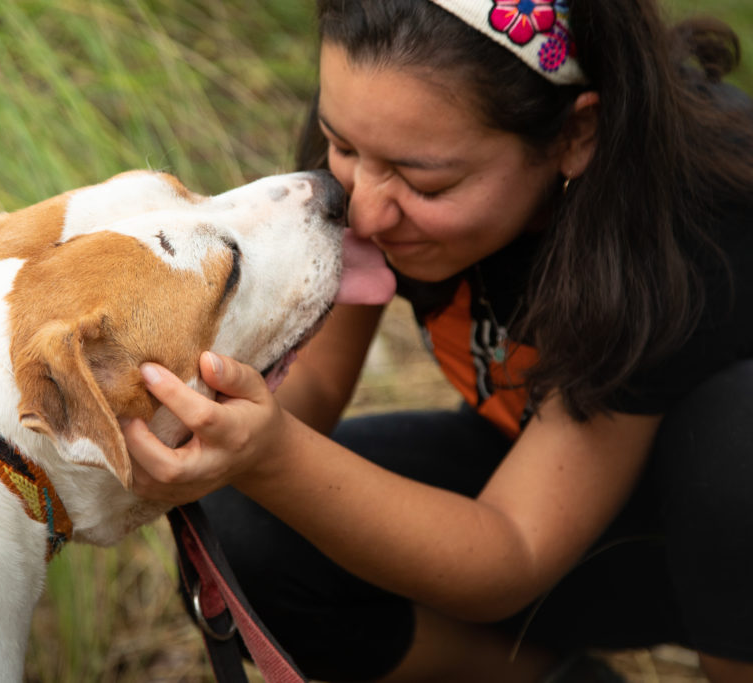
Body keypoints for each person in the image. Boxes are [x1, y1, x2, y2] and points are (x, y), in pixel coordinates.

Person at [122, 1, 753, 681]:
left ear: (577, 133)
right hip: (542, 469)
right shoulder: (384, 121)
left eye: (426, 182)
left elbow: (512, 547)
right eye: (342, 146)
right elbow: (318, 383)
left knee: (736, 447)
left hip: (710, 535)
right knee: (249, 532)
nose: (363, 208)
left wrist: (272, 452)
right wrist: (182, 431)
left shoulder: (687, 221)